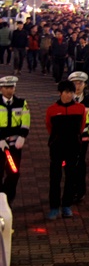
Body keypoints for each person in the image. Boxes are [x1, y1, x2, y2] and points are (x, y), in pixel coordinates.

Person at [45, 80, 87, 219]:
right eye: (66, 92)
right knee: (55, 178)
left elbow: (81, 127)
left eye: (71, 92)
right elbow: (49, 127)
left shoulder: (80, 108)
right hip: (57, 147)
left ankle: (66, 205)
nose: (69, 95)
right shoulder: (52, 109)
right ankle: (54, 207)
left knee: (71, 177)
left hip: (73, 147)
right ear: (60, 93)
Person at [68, 72, 89, 203]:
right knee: (69, 164)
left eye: (80, 83)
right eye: (75, 83)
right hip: (69, 138)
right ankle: (71, 189)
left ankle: (80, 191)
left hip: (84, 137)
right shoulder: (66, 98)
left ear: (85, 84)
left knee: (80, 162)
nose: (78, 86)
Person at [0, 76, 30, 205]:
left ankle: (7, 198)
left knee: (14, 172)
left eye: (11, 87)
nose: (9, 90)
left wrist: (22, 136)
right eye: (6, 87)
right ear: (1, 89)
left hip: (15, 145)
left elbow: (26, 121)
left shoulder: (21, 103)